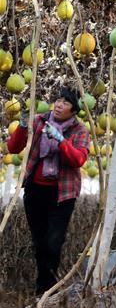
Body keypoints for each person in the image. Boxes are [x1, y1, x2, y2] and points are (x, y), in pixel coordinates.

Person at [5, 87, 90, 295]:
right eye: (58, 100)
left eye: (66, 102)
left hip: (62, 194)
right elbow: (13, 148)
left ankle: (46, 286)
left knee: (53, 242)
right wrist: (24, 126)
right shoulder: (39, 120)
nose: (59, 104)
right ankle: (44, 285)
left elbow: (78, 159)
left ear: (74, 110)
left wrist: (61, 141)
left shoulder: (80, 131)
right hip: (35, 191)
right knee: (40, 240)